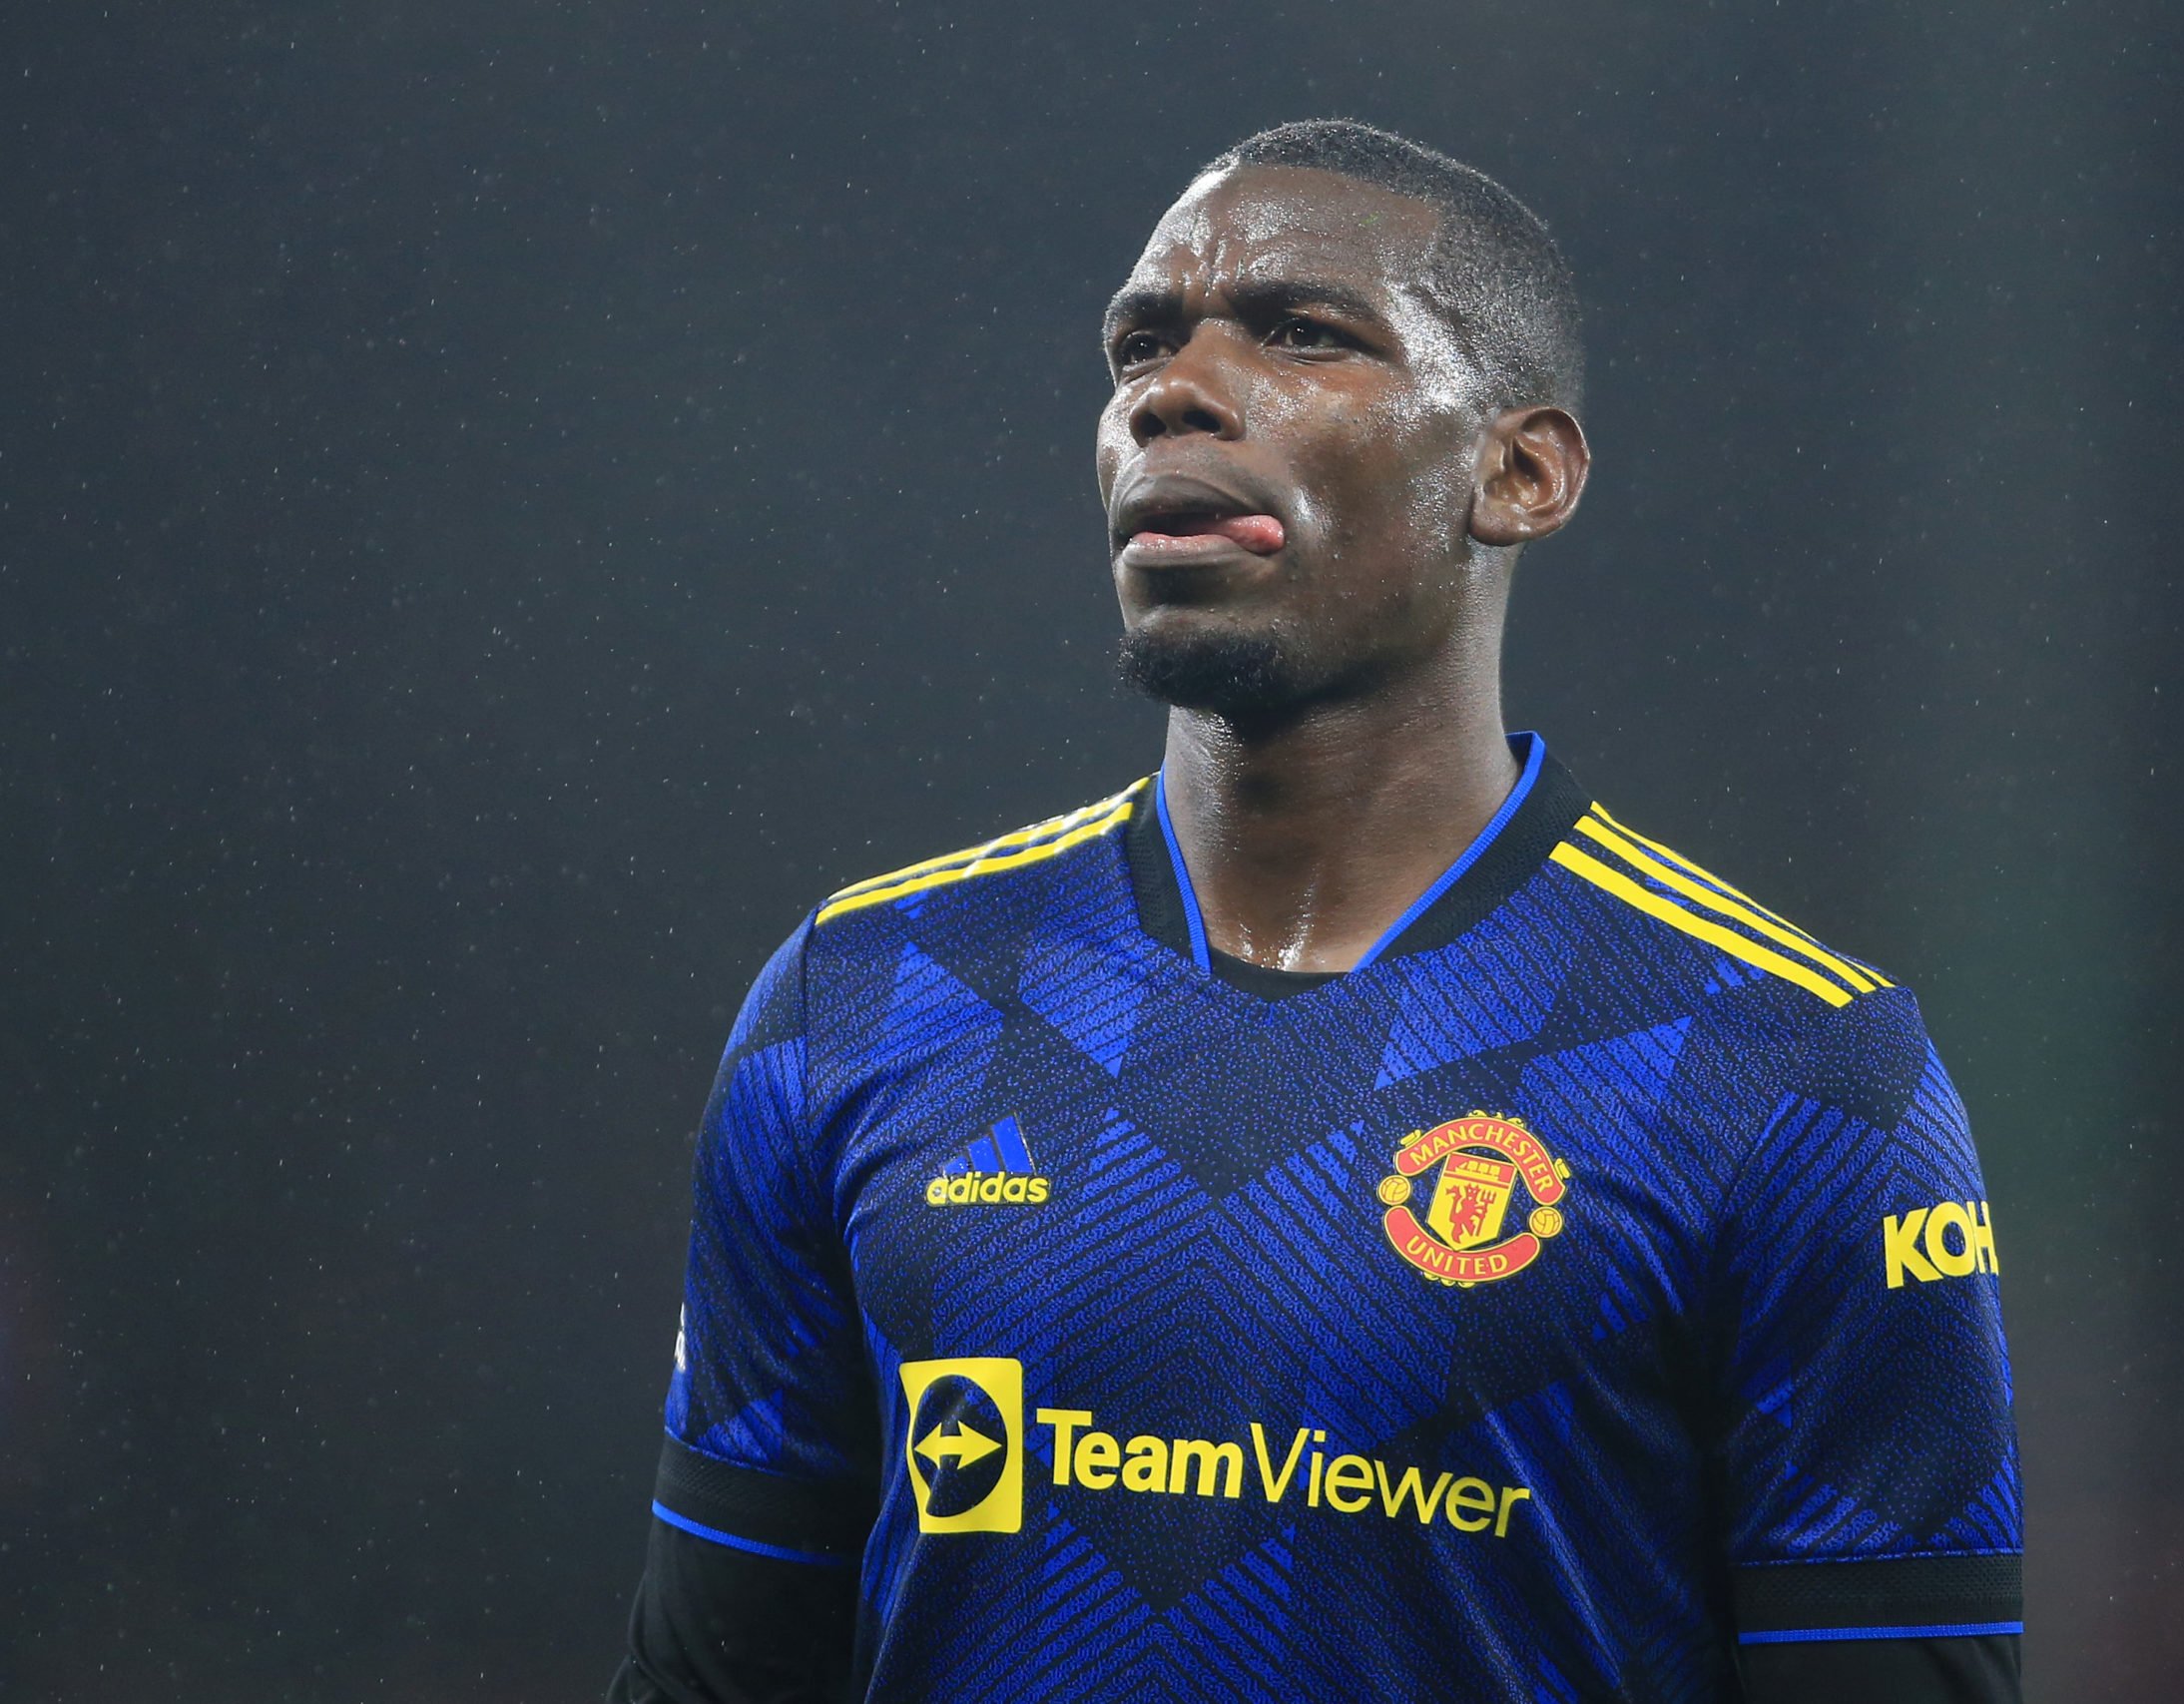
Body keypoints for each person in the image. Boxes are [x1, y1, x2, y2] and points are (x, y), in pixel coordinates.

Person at [610, 119, 2022, 1704]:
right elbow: (710, 1680)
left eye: (1298, 332)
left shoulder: (1793, 1070)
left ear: (1520, 472)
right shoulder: (866, 996)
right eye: (1140, 345)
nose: (1170, 391)